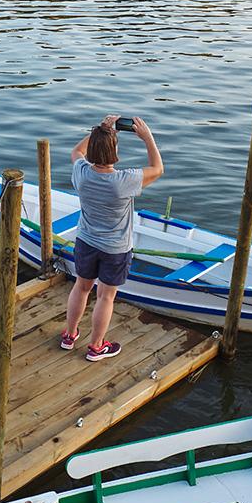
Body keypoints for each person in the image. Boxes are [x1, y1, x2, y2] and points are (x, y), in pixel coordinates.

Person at [62, 114, 164, 361]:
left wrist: (101, 130)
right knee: (106, 296)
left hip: (86, 241)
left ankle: (69, 335)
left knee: (81, 287)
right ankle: (96, 346)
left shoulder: (82, 173)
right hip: (115, 249)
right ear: (115, 151)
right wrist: (147, 137)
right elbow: (158, 169)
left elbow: (77, 151)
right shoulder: (124, 181)